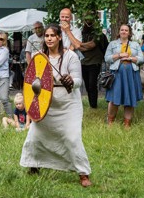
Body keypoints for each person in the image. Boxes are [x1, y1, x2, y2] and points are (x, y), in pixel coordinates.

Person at [20, 24, 92, 187]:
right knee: (35, 136)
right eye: (47, 36)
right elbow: (32, 81)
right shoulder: (40, 56)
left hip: (68, 106)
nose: (49, 38)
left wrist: (71, 81)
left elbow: (79, 81)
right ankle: (34, 165)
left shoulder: (71, 56)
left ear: (59, 37)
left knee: (72, 138)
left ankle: (83, 173)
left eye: (53, 35)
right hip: (46, 105)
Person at [62, 14, 109, 109]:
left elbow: (90, 45)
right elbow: (76, 45)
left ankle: (94, 105)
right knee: (87, 84)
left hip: (95, 62)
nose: (88, 22)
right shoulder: (81, 32)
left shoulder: (98, 34)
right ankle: (91, 104)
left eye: (90, 19)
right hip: (82, 62)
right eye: (86, 19)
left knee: (92, 84)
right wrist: (78, 44)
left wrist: (78, 45)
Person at [104, 23, 144, 127]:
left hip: (131, 75)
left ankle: (127, 124)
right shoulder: (112, 44)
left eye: (126, 30)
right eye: (122, 30)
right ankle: (110, 123)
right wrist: (119, 55)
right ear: (119, 32)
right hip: (116, 75)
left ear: (129, 33)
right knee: (114, 99)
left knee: (130, 99)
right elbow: (107, 58)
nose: (124, 32)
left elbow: (141, 59)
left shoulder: (135, 45)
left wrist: (131, 58)